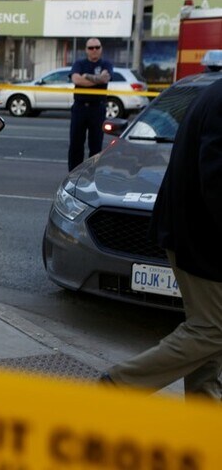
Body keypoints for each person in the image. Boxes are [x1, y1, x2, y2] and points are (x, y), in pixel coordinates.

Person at [101, 78, 222, 399]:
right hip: (202, 237)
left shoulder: (214, 91)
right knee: (213, 329)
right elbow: (217, 180)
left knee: (208, 330)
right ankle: (118, 386)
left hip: (193, 231)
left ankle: (204, 417)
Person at [68, 38, 113, 171]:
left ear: (101, 49)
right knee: (76, 144)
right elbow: (76, 79)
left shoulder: (106, 64)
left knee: (96, 145)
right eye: (91, 48)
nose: (94, 50)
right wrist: (97, 80)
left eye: (97, 47)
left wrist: (86, 76)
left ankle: (92, 174)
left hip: (97, 108)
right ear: (86, 50)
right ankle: (74, 174)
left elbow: (105, 78)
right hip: (80, 107)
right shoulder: (79, 63)